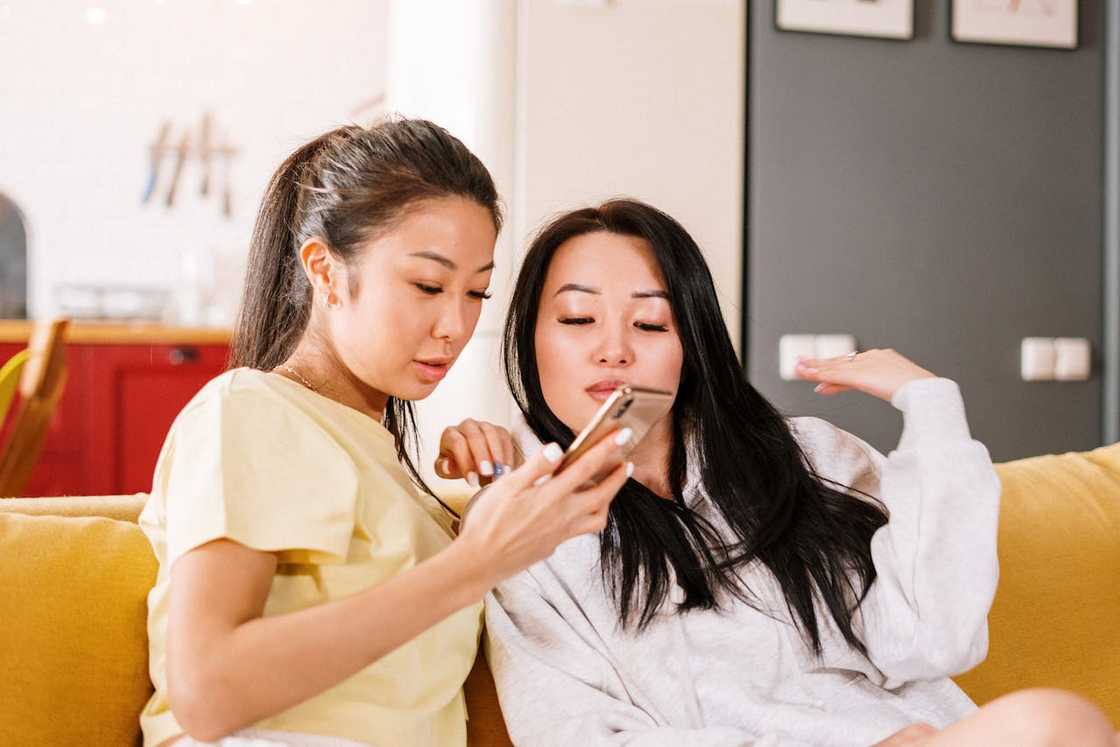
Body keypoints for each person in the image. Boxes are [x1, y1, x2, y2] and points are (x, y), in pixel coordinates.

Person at [483, 198, 1119, 746]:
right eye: (576, 319)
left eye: (650, 322)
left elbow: (932, 642)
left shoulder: (807, 460)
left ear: (691, 345)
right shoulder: (521, 524)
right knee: (1051, 722)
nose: (614, 348)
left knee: (1053, 724)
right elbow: (574, 735)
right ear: (529, 338)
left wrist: (932, 411)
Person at [137, 119, 631, 747]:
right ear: (324, 269)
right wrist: (476, 560)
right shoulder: (250, 410)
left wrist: (485, 501)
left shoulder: (388, 463)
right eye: (427, 285)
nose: (456, 324)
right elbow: (206, 692)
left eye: (477, 291)